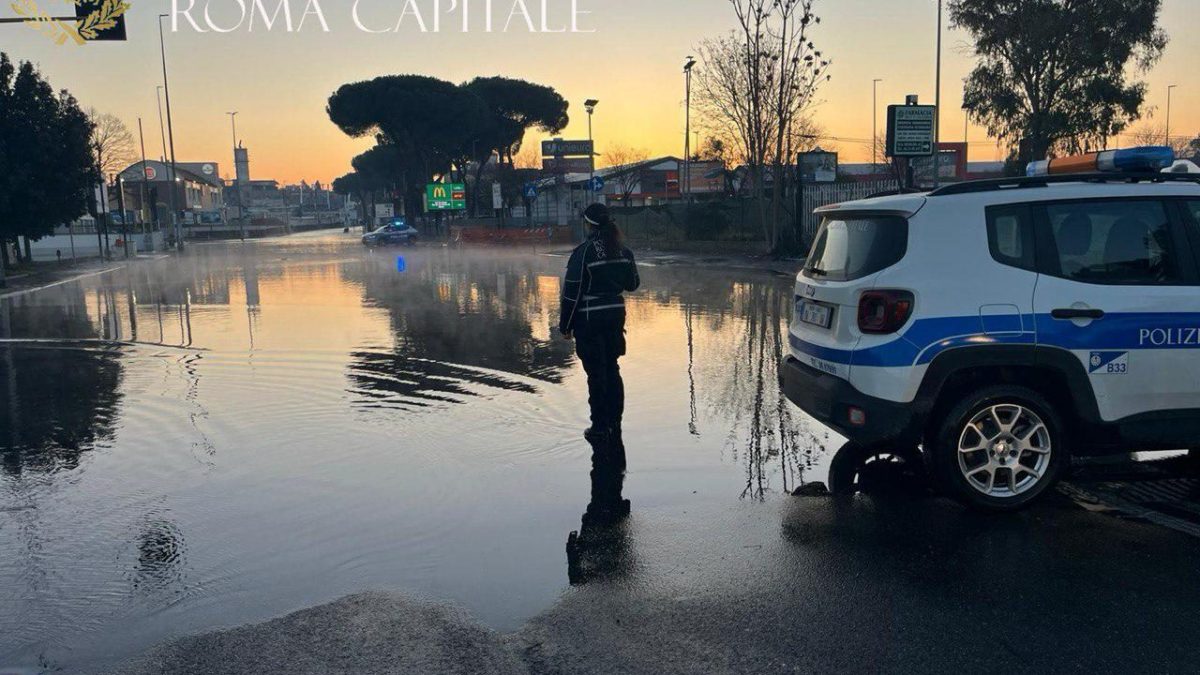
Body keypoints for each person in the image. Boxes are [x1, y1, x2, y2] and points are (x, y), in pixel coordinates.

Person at [559, 203, 640, 449]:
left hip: (589, 321)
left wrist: (565, 326)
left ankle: (599, 427)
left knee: (596, 373)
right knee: (612, 369)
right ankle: (615, 422)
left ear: (589, 225)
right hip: (615, 318)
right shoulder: (624, 252)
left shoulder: (583, 253)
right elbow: (633, 284)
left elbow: (572, 294)